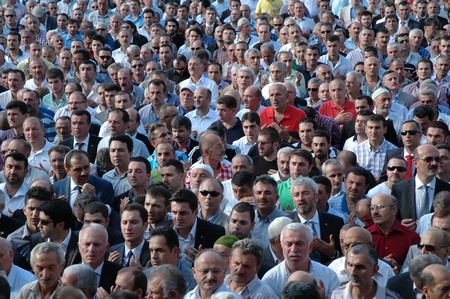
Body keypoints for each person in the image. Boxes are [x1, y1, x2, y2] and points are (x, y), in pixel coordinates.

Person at [262, 222, 339, 297]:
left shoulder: (329, 276)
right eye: (289, 244)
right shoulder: (270, 279)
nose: (293, 249)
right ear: (282, 246)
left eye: (299, 244)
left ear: (311, 246)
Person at [287, 176, 344, 264]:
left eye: (305, 193)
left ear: (316, 197)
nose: (301, 198)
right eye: (296, 194)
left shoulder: (335, 222)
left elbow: (345, 257)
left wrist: (333, 254)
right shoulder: (286, 223)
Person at [392, 144, 450, 229]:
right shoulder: (400, 189)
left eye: (437, 159)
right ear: (415, 163)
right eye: (428, 159)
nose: (434, 163)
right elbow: (392, 217)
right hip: (409, 239)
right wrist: (399, 226)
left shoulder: (447, 189)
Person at [170, 189, 225, 265]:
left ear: (195, 212)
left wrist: (202, 261)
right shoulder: (164, 232)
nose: (178, 218)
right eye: (174, 212)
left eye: (183, 213)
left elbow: (221, 265)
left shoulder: (214, 233)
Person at [328, 226, 396, 287]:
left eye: (356, 246)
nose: (350, 250)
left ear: (371, 247)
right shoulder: (332, 269)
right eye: (346, 246)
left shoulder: (386, 270)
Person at [367, 194, 420, 269]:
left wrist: (399, 268)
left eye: (380, 207)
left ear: (394, 210)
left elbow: (417, 269)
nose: (375, 212)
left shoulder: (411, 237)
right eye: (372, 208)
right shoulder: (366, 235)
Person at [330, 244, 401, 298]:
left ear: (374, 270)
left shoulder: (390, 297)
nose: (353, 272)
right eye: (350, 265)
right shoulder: (337, 295)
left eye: (360, 267)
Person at [7, 187, 51, 270]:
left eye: (39, 209)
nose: (34, 214)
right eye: (31, 208)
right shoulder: (13, 240)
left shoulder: (53, 236)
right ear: (24, 210)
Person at [146, 227, 197, 292]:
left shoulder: (194, 280)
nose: (153, 256)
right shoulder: (144, 278)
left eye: (159, 251)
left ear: (175, 251)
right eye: (151, 250)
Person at [78, 223, 123, 292]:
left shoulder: (119, 274)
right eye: (87, 244)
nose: (91, 249)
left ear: (106, 247)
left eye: (96, 245)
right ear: (79, 247)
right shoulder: (69, 274)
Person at [37, 199, 79, 266]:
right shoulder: (36, 240)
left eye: (44, 222)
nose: (39, 225)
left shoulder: (80, 245)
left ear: (60, 225)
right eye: (39, 220)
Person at [107, 204, 149, 268]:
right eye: (124, 222)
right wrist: (110, 267)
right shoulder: (112, 251)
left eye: (134, 222)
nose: (128, 228)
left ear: (145, 225)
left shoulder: (153, 252)